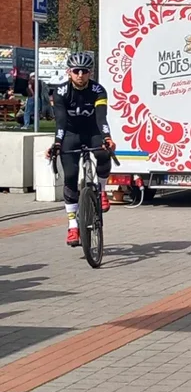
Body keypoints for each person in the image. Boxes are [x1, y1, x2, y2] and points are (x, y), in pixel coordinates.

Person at [47, 52, 115, 247]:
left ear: (90, 72)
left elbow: (102, 118)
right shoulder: (60, 92)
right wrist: (57, 143)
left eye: (84, 71)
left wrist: (107, 138)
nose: (80, 75)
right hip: (70, 134)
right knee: (70, 174)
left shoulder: (98, 90)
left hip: (92, 130)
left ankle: (101, 190)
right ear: (69, 72)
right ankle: (73, 225)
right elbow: (60, 122)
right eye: (76, 71)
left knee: (103, 153)